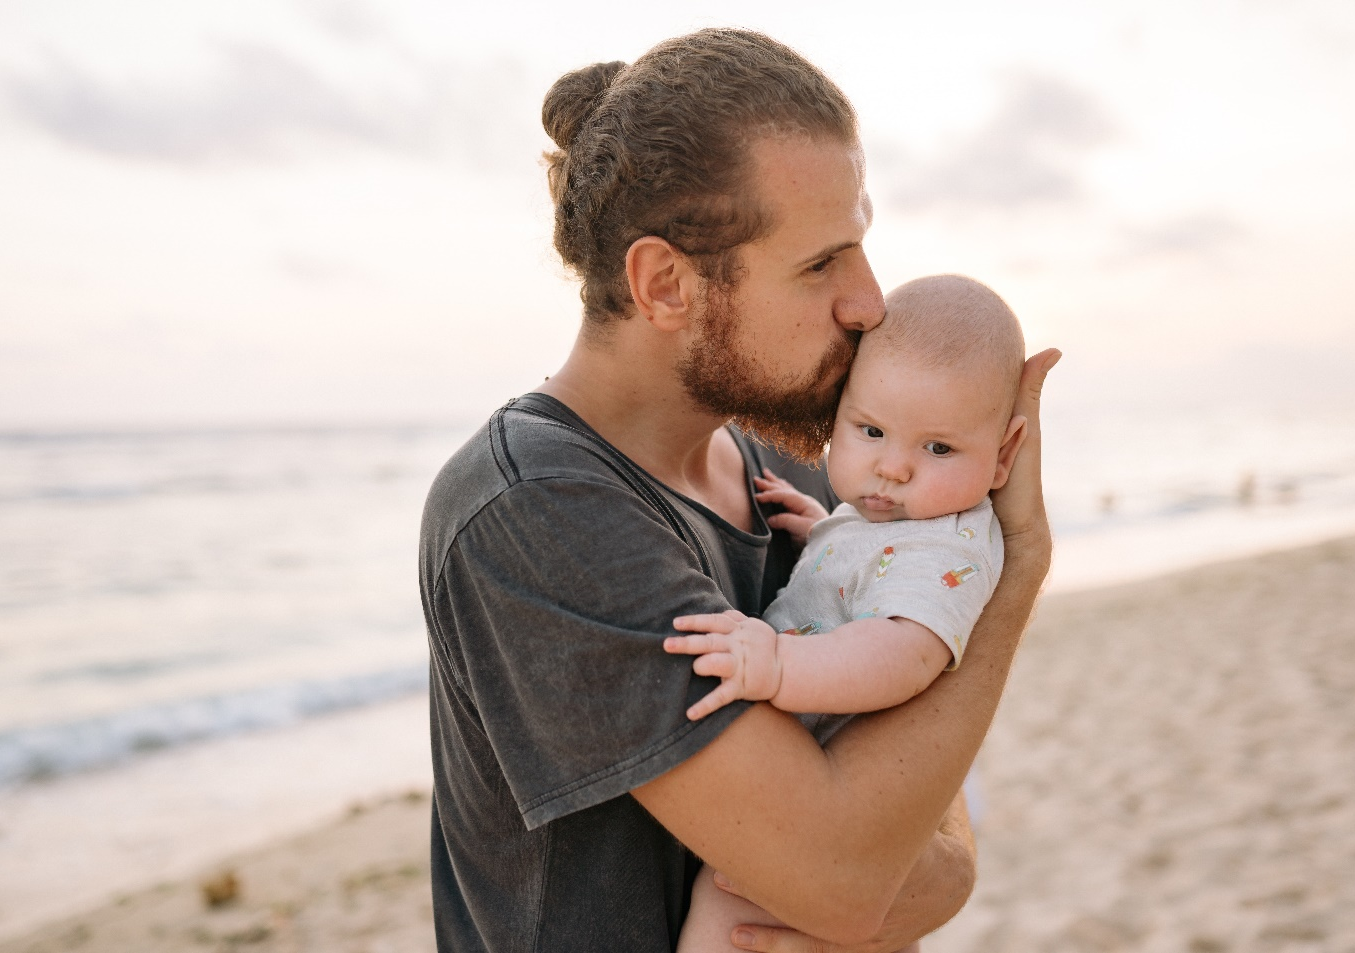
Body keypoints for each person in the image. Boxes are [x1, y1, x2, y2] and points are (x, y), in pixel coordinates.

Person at [418, 28, 1059, 953]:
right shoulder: (534, 511)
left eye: (860, 248)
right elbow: (848, 875)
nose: (871, 301)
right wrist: (1019, 566)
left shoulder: (802, 471)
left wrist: (937, 872)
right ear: (665, 283)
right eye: (821, 263)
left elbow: (919, 800)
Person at [665, 274, 1029, 953]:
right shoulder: (889, 517)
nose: (892, 468)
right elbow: (871, 567)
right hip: (828, 796)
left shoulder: (953, 545)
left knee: (726, 913)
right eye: (869, 430)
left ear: (1003, 454)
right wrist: (826, 528)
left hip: (838, 795)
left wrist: (777, 665)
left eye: (939, 448)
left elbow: (898, 655)